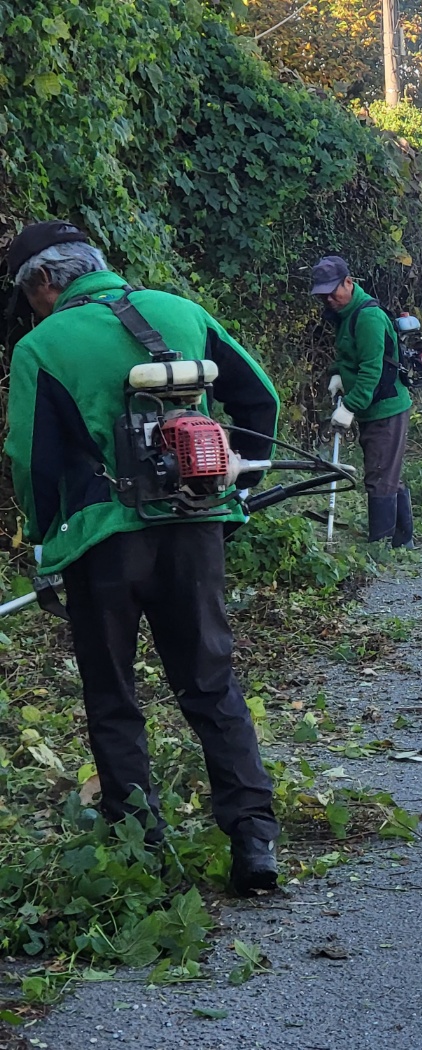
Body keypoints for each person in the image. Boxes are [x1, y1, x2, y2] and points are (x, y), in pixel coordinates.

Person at [4, 221, 282, 894]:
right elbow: (260, 400)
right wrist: (234, 492)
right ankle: (253, 841)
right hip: (195, 526)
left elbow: (30, 460)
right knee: (211, 683)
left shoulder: (42, 346)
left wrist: (45, 541)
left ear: (44, 282)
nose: (28, 308)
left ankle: (141, 850)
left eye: (26, 294)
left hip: (103, 547)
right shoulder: (181, 311)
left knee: (113, 695)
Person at [311, 255, 414, 548]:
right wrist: (337, 375)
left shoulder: (367, 316)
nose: (329, 299)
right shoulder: (345, 315)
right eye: (323, 295)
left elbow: (372, 370)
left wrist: (350, 406)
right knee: (386, 471)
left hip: (386, 407)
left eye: (334, 291)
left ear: (349, 281)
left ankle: (381, 547)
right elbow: (348, 357)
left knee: (380, 476)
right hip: (373, 407)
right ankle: (402, 541)